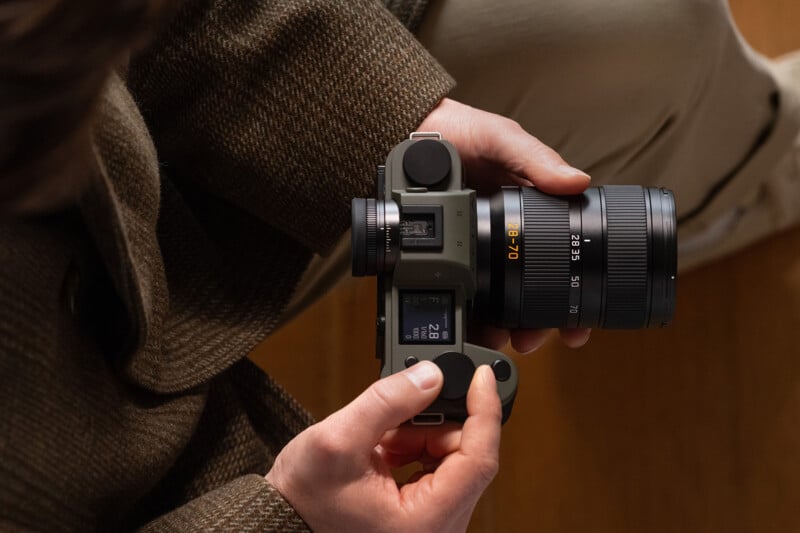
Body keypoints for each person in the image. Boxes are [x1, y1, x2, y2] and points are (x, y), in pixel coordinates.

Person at [0, 0, 797, 531]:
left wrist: (389, 114)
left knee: (637, 26)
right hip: (137, 495)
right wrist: (291, 519)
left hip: (142, 193)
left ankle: (750, 163)